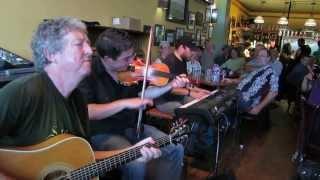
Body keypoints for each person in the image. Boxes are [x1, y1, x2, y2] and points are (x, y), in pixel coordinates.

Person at [0, 17, 161, 179]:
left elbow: (83, 157)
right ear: (51, 54)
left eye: (87, 43)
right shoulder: (23, 92)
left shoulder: (77, 100)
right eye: (79, 44)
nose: (90, 51)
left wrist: (132, 152)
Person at [78, 28, 188, 180]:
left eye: (132, 55)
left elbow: (143, 95)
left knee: (176, 149)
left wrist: (170, 85)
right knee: (136, 163)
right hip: (105, 132)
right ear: (108, 58)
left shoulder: (130, 72)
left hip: (132, 125)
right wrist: (124, 103)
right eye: (126, 58)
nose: (131, 62)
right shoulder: (87, 73)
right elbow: (88, 111)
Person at [156, 37, 210, 115]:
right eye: (190, 49)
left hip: (179, 96)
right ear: (182, 47)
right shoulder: (169, 62)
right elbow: (169, 89)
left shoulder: (183, 61)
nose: (192, 52)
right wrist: (191, 93)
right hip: (164, 100)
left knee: (200, 104)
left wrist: (199, 90)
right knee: (185, 111)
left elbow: (186, 83)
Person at [223, 47, 278, 115]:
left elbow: (274, 92)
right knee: (220, 97)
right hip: (238, 94)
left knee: (220, 102)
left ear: (268, 58)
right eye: (258, 55)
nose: (259, 57)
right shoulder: (258, 70)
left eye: (262, 56)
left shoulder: (271, 73)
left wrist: (258, 108)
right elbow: (245, 80)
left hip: (246, 100)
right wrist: (231, 81)